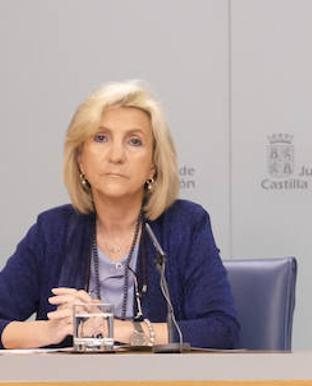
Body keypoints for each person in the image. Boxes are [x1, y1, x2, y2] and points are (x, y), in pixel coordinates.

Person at [0, 81, 238, 349]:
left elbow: (221, 331)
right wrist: (48, 332)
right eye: (101, 138)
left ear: (153, 165)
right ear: (80, 159)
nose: (116, 155)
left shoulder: (185, 225)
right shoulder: (52, 230)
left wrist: (116, 329)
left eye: (134, 141)